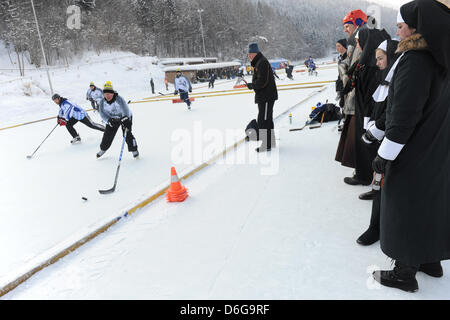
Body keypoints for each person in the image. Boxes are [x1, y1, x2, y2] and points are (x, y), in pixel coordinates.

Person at [371, 0, 450, 293]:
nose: (398, 32)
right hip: (436, 147)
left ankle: (405, 271)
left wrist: (383, 155)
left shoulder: (415, 61)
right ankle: (429, 259)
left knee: (406, 205)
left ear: (416, 28)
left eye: (401, 26)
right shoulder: (439, 56)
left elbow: (403, 117)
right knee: (430, 204)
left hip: (412, 149)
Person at [356, 39, 400, 246]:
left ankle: (380, 228)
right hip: (380, 138)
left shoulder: (400, 78)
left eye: (381, 58)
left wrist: (374, 130)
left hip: (392, 141)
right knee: (379, 183)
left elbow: (392, 113)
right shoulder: (382, 76)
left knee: (386, 185)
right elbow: (373, 105)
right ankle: (376, 225)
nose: (378, 63)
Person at [353, 26, 391, 199]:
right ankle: (376, 187)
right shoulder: (369, 66)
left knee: (378, 153)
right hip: (371, 117)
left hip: (378, 120)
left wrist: (371, 122)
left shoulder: (375, 70)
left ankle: (378, 188)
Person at [335, 9, 368, 185]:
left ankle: (362, 172)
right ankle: (360, 170)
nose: (345, 30)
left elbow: (353, 70)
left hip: (357, 99)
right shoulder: (353, 43)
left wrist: (343, 72)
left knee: (357, 138)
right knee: (353, 137)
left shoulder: (359, 41)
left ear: (356, 24)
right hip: (353, 98)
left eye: (347, 26)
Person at [245, 43, 278, 152]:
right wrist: (253, 84)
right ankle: (270, 143)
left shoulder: (262, 62)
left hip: (266, 97)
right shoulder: (259, 62)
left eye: (250, 54)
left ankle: (267, 144)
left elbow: (263, 81)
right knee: (266, 119)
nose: (249, 56)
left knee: (264, 121)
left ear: (255, 53)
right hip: (264, 96)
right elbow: (260, 80)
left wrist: (252, 85)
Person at [97, 81, 139, 159]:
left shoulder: (119, 99)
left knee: (127, 134)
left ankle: (134, 150)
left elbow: (126, 110)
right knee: (107, 134)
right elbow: (102, 113)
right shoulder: (102, 102)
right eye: (105, 94)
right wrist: (108, 120)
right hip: (112, 119)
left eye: (109, 93)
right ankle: (103, 149)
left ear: (113, 93)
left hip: (124, 117)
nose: (107, 96)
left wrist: (126, 120)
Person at [335, 39, 348, 105]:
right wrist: (338, 89)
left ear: (343, 46)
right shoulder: (340, 58)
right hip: (342, 86)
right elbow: (339, 74)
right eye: (336, 46)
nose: (336, 48)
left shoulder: (348, 57)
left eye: (338, 46)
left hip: (347, 86)